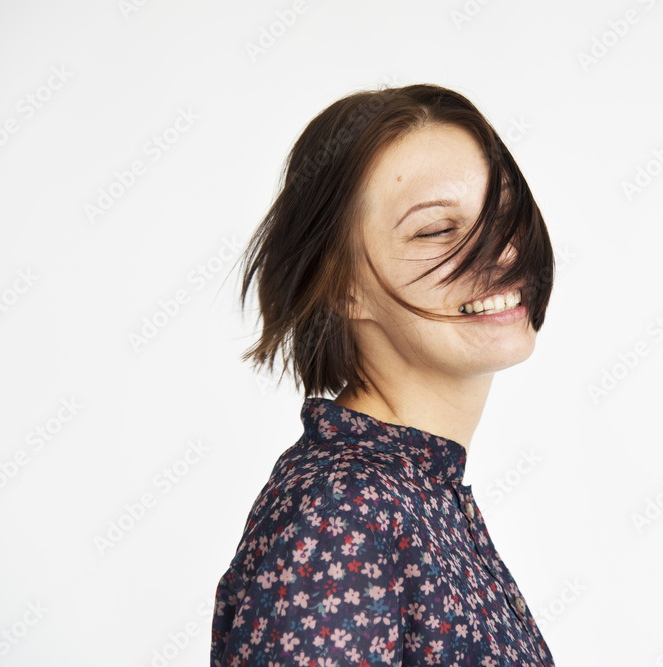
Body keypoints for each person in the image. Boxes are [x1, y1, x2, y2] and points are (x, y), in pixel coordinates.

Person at [211, 83, 556, 666]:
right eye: (436, 230)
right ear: (341, 284)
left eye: (503, 214)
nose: (500, 253)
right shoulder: (343, 516)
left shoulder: (416, 491)